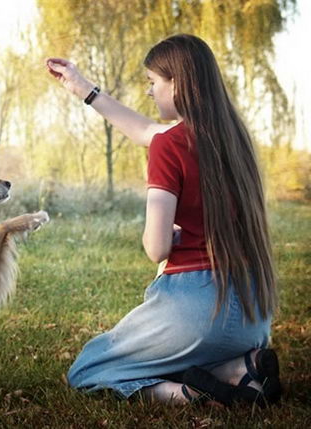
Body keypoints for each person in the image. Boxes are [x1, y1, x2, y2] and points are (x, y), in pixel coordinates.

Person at [46, 34, 282, 406]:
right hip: (254, 314)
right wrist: (83, 88)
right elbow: (144, 130)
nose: (149, 91)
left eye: (154, 82)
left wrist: (166, 236)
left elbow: (155, 247)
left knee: (88, 369)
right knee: (187, 350)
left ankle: (189, 393)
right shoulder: (236, 141)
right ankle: (241, 369)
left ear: (178, 83)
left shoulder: (169, 144)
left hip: (197, 309)